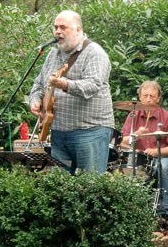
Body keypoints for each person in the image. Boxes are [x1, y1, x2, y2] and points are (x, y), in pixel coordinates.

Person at [29, 9, 114, 174]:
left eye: (63, 27)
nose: (57, 31)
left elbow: (93, 85)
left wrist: (65, 84)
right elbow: (39, 83)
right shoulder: (53, 53)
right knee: (59, 185)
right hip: (59, 132)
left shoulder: (95, 53)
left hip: (90, 131)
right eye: (55, 27)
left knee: (91, 183)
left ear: (78, 30)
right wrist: (35, 100)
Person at [119, 80, 168, 223]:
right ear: (139, 97)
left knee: (162, 167)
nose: (148, 99)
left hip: (161, 157)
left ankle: (164, 214)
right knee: (124, 169)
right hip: (138, 158)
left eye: (152, 96)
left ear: (158, 98)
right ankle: (132, 214)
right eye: (145, 96)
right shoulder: (133, 116)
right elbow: (121, 142)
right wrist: (137, 135)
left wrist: (156, 151)